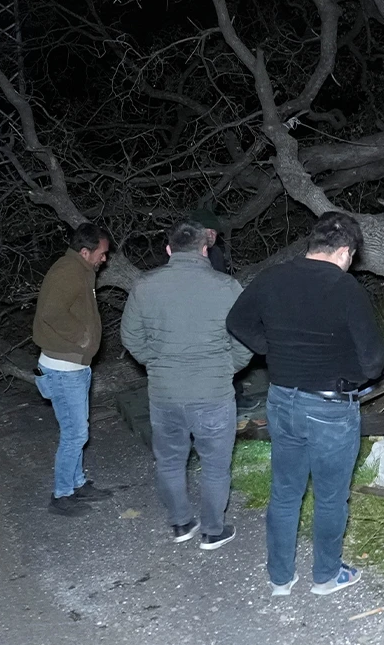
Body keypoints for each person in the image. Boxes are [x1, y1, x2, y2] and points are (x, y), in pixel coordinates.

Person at [227, 212, 384, 596]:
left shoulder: (271, 278)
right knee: (330, 497)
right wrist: (352, 377)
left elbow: (236, 321)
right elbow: (373, 362)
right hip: (330, 407)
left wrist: (271, 350)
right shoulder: (345, 288)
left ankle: (280, 578)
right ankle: (326, 576)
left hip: (282, 400)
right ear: (345, 251)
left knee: (285, 491)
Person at [120, 221, 252, 549]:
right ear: (205, 250)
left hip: (165, 393)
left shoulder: (144, 286)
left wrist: (156, 364)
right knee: (215, 465)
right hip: (213, 393)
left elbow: (130, 337)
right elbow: (247, 338)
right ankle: (212, 530)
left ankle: (180, 523)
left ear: (169, 250)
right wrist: (228, 367)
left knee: (169, 461)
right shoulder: (226, 287)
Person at [33, 223, 114, 517]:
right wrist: (82, 337)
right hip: (63, 369)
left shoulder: (80, 270)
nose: (104, 258)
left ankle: (77, 483)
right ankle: (62, 494)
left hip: (73, 367)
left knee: (78, 430)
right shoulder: (68, 272)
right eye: (101, 253)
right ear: (84, 251)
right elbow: (52, 313)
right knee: (75, 433)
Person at [188, 208, 230, 274]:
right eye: (206, 231)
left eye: (213, 231)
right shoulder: (180, 252)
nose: (210, 235)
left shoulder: (216, 254)